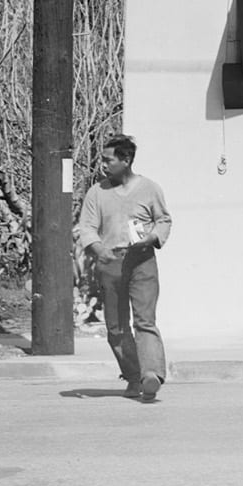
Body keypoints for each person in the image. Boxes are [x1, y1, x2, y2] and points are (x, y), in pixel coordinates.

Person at [74, 134, 171, 402]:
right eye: (103, 160)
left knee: (144, 321)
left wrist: (152, 237)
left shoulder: (150, 188)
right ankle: (132, 375)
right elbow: (87, 227)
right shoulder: (97, 192)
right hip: (110, 262)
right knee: (116, 327)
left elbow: (163, 220)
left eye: (108, 159)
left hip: (142, 260)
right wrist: (98, 250)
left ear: (126, 160)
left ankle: (151, 375)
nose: (103, 164)